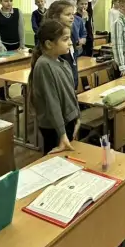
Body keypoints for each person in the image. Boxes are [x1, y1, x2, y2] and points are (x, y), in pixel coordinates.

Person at [30, 19, 81, 155]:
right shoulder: (44, 65)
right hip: (55, 127)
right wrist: (62, 134)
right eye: (65, 39)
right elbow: (52, 102)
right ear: (49, 44)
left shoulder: (64, 63)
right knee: (55, 161)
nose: (70, 42)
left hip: (68, 122)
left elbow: (72, 93)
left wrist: (77, 116)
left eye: (69, 38)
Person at [0, 0, 24, 102]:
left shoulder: (18, 12)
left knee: (16, 71)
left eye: (11, 1)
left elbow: (21, 29)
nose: (9, 3)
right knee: (4, 72)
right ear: (0, 1)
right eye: (6, 1)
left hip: (16, 47)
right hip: (4, 48)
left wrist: (22, 45)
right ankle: (2, 93)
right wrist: (0, 46)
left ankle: (14, 91)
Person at [46, 0, 79, 89]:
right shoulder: (52, 37)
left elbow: (73, 59)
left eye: (72, 14)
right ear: (55, 17)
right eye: (68, 14)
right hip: (59, 84)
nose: (72, 17)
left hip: (71, 80)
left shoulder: (70, 34)